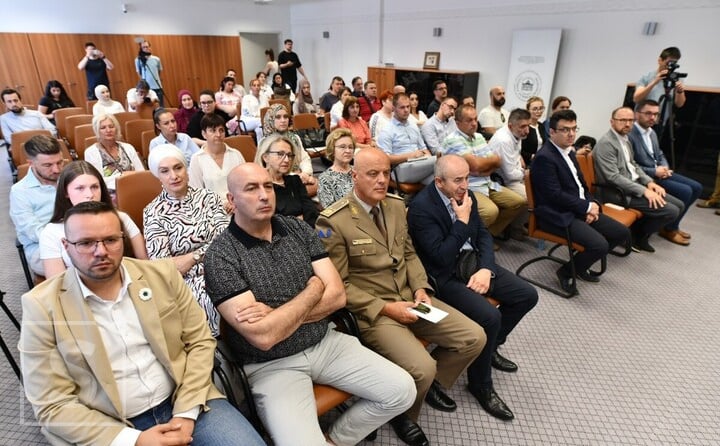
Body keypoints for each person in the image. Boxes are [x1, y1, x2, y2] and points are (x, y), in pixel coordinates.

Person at [20, 200, 265, 446]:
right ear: (66, 246)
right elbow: (51, 404)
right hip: (110, 424)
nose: (100, 251)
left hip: (187, 399)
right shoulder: (42, 306)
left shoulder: (161, 275)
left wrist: (185, 412)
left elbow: (199, 341)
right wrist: (134, 440)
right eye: (85, 243)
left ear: (122, 239)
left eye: (110, 240)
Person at [203, 162, 415, 446]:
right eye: (251, 189)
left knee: (402, 390)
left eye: (268, 186)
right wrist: (314, 289)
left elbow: (337, 296)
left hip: (325, 342)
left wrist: (276, 316)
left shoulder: (296, 228)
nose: (264, 195)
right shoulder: (220, 256)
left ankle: (336, 439)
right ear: (232, 199)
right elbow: (264, 338)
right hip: (272, 365)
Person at [316, 148, 485, 446]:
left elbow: (408, 254)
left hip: (411, 297)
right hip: (375, 311)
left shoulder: (395, 205)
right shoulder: (334, 221)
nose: (382, 180)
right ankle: (404, 414)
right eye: (372, 174)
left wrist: (421, 288)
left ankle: (428, 385)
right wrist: (387, 309)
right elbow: (339, 285)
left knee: (474, 337)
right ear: (354, 176)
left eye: (385, 173)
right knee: (422, 367)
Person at [408, 154, 538, 420]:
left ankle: (490, 347)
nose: (465, 185)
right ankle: (480, 385)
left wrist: (486, 269)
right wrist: (462, 221)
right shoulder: (422, 208)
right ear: (439, 182)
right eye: (458, 180)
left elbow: (483, 236)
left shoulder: (466, 196)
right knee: (490, 317)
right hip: (444, 277)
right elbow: (441, 258)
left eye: (467, 178)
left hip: (474, 264)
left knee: (527, 295)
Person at [530, 109, 631, 295]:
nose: (571, 134)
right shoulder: (545, 157)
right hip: (556, 214)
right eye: (565, 130)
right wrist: (586, 207)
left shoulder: (569, 152)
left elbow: (581, 186)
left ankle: (579, 264)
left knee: (620, 233)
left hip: (577, 208)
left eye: (574, 129)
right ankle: (566, 272)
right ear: (551, 132)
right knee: (599, 245)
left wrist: (592, 205)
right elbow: (554, 195)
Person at [144, 145, 230, 336]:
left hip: (224, 266)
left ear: (186, 169)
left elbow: (226, 240)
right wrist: (206, 252)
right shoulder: (153, 212)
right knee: (208, 298)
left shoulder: (209, 198)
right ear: (158, 176)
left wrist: (192, 257)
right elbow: (162, 265)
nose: (173, 176)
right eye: (165, 171)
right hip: (188, 281)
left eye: (178, 168)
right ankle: (214, 350)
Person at [593, 107, 683, 252]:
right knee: (671, 211)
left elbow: (633, 164)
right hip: (617, 193)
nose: (627, 124)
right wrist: (644, 191)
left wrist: (649, 182)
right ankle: (636, 236)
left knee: (679, 205)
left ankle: (637, 233)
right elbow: (613, 177)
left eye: (630, 120)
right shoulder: (606, 143)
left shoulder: (625, 139)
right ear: (612, 122)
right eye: (622, 120)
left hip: (633, 186)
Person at [40, 160, 147, 278]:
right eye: (80, 188)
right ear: (66, 192)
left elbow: (144, 263)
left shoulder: (122, 218)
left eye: (94, 187)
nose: (90, 194)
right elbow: (56, 283)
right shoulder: (51, 232)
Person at [442, 104, 526, 238]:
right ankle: (468, 238)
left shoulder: (479, 137)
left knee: (518, 202)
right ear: (458, 123)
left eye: (475, 119)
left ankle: (488, 234)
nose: (474, 123)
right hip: (467, 187)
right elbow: (476, 165)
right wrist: (482, 165)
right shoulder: (453, 140)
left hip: (487, 182)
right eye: (469, 120)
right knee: (490, 212)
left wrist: (482, 169)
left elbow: (497, 161)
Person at [629, 99, 700, 243]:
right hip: (646, 177)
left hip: (660, 172)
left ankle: (671, 225)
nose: (652, 117)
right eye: (648, 113)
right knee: (686, 191)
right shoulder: (630, 134)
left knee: (697, 187)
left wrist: (665, 167)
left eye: (656, 114)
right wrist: (654, 171)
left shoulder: (651, 132)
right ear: (636, 114)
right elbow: (631, 164)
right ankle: (669, 229)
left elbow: (659, 154)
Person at [9, 135, 63, 276]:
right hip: (41, 247)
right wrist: (67, 240)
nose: (56, 170)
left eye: (60, 162)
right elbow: (33, 231)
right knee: (83, 261)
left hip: (77, 238)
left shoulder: (68, 179)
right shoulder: (20, 191)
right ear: (30, 163)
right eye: (48, 165)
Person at [255, 134, 318, 227]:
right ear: (265, 157)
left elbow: (311, 211)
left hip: (308, 231)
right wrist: (298, 220)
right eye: (280, 154)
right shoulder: (261, 187)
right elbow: (272, 223)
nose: (287, 160)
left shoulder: (295, 180)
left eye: (289, 155)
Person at [188, 113, 246, 212]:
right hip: (211, 210)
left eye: (221, 130)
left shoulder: (236, 154)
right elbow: (196, 194)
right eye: (213, 130)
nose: (218, 135)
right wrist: (220, 206)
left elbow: (245, 183)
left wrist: (235, 202)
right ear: (204, 134)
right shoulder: (197, 159)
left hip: (238, 206)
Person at [377, 93, 435, 185]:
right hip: (400, 168)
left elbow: (424, 148)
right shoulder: (387, 130)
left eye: (408, 107)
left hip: (420, 164)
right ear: (394, 108)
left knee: (440, 180)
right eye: (402, 107)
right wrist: (410, 155)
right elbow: (385, 158)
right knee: (440, 161)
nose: (406, 110)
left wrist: (427, 157)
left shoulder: (413, 126)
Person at [261, 103, 316, 193]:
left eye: (285, 117)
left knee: (319, 185)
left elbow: (304, 158)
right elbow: (272, 169)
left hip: (300, 177)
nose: (283, 120)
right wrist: (296, 176)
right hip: (279, 182)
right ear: (271, 119)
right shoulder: (265, 142)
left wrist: (305, 173)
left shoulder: (295, 137)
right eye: (278, 117)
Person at [84, 113, 145, 192]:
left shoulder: (128, 147)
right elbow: (96, 180)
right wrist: (122, 175)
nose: (108, 130)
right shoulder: (91, 152)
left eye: (111, 126)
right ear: (97, 131)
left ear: (116, 129)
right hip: (109, 193)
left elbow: (142, 173)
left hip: (135, 188)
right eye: (103, 128)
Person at [632, 46, 686, 128]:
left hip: (660, 122)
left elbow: (679, 104)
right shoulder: (647, 77)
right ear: (660, 60)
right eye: (669, 63)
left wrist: (680, 91)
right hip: (641, 121)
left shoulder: (676, 78)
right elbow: (636, 98)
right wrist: (654, 82)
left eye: (674, 63)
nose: (670, 66)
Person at [490, 108, 531, 199]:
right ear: (510, 126)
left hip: (517, 175)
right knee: (532, 198)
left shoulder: (516, 133)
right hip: (505, 182)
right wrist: (526, 173)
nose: (527, 131)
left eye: (528, 126)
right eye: (523, 126)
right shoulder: (503, 140)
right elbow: (510, 175)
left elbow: (516, 156)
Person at [317, 128, 355, 208]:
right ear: (332, 149)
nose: (348, 151)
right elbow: (329, 210)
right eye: (342, 147)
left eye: (351, 147)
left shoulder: (359, 171)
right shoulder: (325, 179)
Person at [237, 78, 269, 142]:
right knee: (260, 122)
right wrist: (259, 116)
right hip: (247, 121)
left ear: (260, 87)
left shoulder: (264, 97)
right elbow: (246, 112)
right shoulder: (246, 98)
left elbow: (268, 109)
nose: (256, 87)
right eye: (254, 85)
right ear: (251, 87)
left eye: (258, 85)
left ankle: (260, 145)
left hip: (260, 121)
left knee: (259, 129)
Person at [135, 40, 164, 106]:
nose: (145, 48)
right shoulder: (138, 60)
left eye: (147, 47)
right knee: (148, 107)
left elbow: (159, 72)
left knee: (160, 106)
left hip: (157, 87)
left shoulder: (156, 59)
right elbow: (138, 72)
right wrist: (143, 83)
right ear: (141, 49)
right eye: (143, 47)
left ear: (150, 47)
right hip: (146, 89)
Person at [521, 96, 546, 165]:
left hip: (539, 162)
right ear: (528, 110)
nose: (538, 111)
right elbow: (518, 149)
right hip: (526, 163)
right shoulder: (523, 127)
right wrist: (531, 156)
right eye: (535, 109)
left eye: (541, 108)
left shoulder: (541, 126)